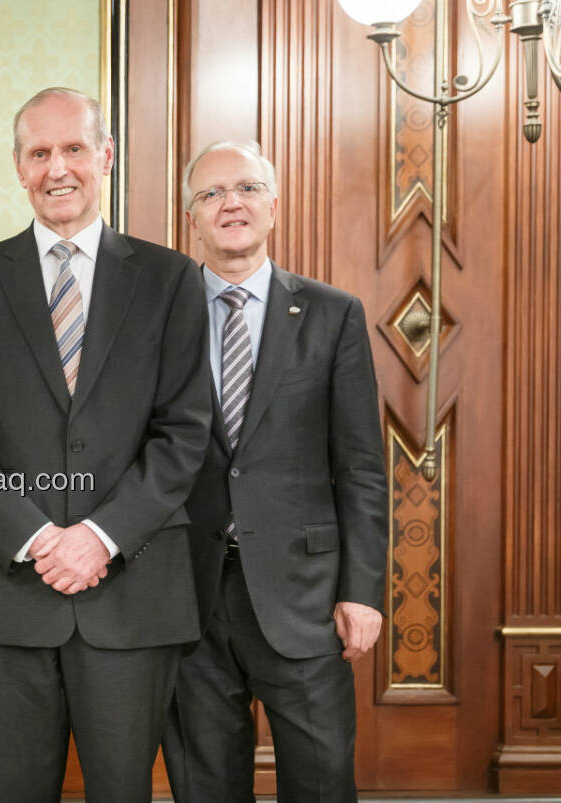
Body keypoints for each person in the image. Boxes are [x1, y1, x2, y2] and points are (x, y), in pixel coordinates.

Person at [0, 87, 212, 802]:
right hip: (13, 590)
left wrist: (99, 536)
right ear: (19, 168)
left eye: (74, 149)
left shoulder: (172, 278)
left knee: (123, 790)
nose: (58, 167)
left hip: (135, 589)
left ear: (105, 157)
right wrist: (39, 540)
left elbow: (183, 433)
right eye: (40, 152)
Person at [160, 141, 387, 803]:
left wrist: (364, 589)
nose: (231, 203)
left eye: (248, 188)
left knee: (320, 783)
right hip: (187, 593)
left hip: (306, 597)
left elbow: (362, 466)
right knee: (205, 785)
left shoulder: (332, 314)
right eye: (211, 193)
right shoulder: (155, 319)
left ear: (274, 207)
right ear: (190, 218)